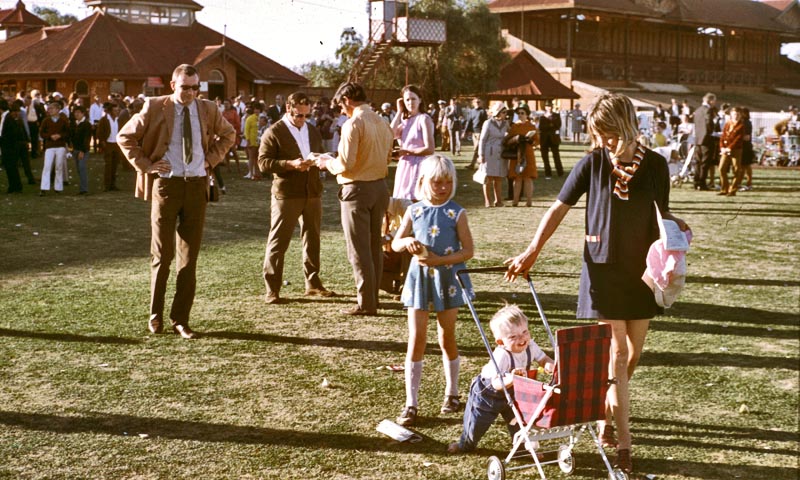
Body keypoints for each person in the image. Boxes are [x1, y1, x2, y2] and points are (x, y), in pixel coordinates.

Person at [504, 93, 689, 475]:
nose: (603, 140)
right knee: (618, 355)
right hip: (602, 270)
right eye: (598, 133)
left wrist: (677, 226)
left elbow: (662, 210)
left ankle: (605, 415)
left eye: (607, 133)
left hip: (641, 272)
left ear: (624, 128)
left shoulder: (655, 165)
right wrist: (531, 250)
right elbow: (558, 208)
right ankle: (623, 444)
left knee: (631, 357)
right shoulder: (591, 164)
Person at [117, 63, 236, 339]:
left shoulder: (208, 109)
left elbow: (228, 135)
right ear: (173, 85)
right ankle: (155, 315)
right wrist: (146, 165)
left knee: (189, 258)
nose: (191, 93)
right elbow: (124, 136)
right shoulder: (155, 106)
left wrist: (210, 160)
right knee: (162, 255)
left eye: (196, 88)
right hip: (166, 187)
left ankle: (181, 319)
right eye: (185, 87)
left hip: (196, 188)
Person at [391, 155, 475, 426]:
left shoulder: (457, 212)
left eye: (447, 182)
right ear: (423, 182)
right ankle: (411, 402)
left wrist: (439, 261)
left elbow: (469, 250)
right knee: (416, 339)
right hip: (419, 281)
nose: (442, 187)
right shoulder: (413, 211)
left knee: (446, 336)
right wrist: (408, 243)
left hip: (448, 279)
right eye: (437, 182)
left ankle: (452, 393)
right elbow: (394, 243)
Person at [317, 82, 393, 316]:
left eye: (341, 106)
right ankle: (373, 298)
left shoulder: (353, 124)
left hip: (356, 190)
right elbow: (388, 156)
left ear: (347, 100)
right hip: (379, 187)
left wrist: (325, 162)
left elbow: (344, 164)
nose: (341, 111)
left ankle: (366, 303)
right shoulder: (383, 122)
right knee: (374, 246)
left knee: (358, 250)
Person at [257, 92, 335, 304]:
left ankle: (313, 282)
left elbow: (318, 152)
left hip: (312, 191)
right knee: (278, 240)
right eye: (298, 115)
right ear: (288, 109)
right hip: (287, 193)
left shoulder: (311, 129)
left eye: (305, 115)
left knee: (312, 238)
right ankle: (272, 289)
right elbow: (263, 163)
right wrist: (291, 164)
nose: (302, 119)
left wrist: (321, 159)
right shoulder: (274, 132)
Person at [447, 304, 554, 453]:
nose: (522, 338)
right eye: (513, 337)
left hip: (513, 394)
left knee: (520, 422)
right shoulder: (501, 355)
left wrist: (549, 365)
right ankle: (465, 445)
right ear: (501, 342)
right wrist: (511, 379)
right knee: (476, 425)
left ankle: (521, 449)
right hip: (488, 394)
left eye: (524, 332)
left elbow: (543, 358)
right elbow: (496, 383)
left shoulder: (530, 345)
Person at [390, 85, 435, 201]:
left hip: (419, 165)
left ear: (420, 100)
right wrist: (399, 112)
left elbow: (430, 149)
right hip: (405, 166)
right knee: (401, 201)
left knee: (414, 200)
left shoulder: (424, 119)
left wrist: (406, 151)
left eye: (413, 99)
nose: (410, 102)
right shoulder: (405, 121)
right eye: (407, 100)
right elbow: (390, 134)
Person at [506, 103, 539, 207]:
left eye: (522, 113)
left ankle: (529, 201)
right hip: (517, 153)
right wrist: (516, 140)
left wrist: (530, 141)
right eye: (518, 113)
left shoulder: (531, 126)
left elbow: (537, 141)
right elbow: (508, 140)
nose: (520, 115)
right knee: (517, 177)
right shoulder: (515, 126)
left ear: (527, 114)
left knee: (528, 178)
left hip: (528, 153)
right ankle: (515, 200)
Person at [478, 102, 509, 207]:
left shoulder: (506, 124)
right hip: (489, 152)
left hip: (501, 152)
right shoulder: (488, 123)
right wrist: (481, 154)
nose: (505, 114)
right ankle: (487, 200)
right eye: (503, 112)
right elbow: (482, 139)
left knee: (499, 177)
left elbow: (509, 135)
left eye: (506, 112)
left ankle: (498, 200)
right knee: (488, 177)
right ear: (498, 112)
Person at [39, 101, 71, 196]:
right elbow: (42, 133)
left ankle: (58, 187)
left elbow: (68, 133)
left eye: (52, 108)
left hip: (60, 145)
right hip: (50, 146)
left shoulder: (63, 121)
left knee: (59, 166)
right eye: (49, 109)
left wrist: (60, 135)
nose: (50, 110)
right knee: (47, 166)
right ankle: (44, 187)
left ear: (58, 110)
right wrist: (50, 136)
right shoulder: (46, 120)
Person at [96, 102, 126, 192]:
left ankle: (113, 184)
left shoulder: (118, 119)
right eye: (115, 110)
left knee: (115, 165)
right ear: (110, 111)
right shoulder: (104, 120)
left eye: (118, 110)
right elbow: (100, 133)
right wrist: (103, 143)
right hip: (108, 144)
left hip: (116, 144)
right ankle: (107, 185)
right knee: (108, 166)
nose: (117, 112)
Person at [692, 93, 718, 190]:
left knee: (697, 162)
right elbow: (708, 123)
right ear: (710, 100)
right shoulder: (708, 110)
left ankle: (696, 181)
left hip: (698, 139)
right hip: (706, 139)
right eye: (714, 101)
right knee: (705, 162)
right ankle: (702, 183)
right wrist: (712, 131)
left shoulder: (698, 110)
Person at [718, 106, 745, 197]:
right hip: (725, 150)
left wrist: (729, 148)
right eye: (734, 114)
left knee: (736, 170)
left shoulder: (741, 125)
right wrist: (722, 147)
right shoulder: (728, 124)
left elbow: (738, 139)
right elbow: (723, 136)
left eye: (737, 114)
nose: (735, 116)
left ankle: (733, 189)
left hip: (736, 150)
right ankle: (724, 188)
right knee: (721, 168)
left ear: (740, 115)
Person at [0, 99, 23, 194]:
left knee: (11, 167)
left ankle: (14, 186)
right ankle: (15, 186)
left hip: (9, 146)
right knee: (11, 167)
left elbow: (9, 133)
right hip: (9, 145)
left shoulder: (8, 118)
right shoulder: (7, 117)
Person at [538, 100, 563, 178]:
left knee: (556, 156)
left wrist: (549, 125)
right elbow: (541, 127)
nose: (549, 108)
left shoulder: (556, 115)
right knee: (545, 157)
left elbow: (558, 125)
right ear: (545, 107)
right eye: (548, 106)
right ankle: (548, 173)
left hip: (554, 138)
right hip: (544, 139)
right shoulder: (542, 117)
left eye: (550, 106)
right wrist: (550, 125)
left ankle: (560, 172)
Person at [70, 105, 92, 195]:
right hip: (75, 149)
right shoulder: (73, 124)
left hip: (83, 150)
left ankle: (84, 189)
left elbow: (87, 139)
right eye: (75, 112)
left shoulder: (86, 124)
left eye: (78, 112)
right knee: (78, 169)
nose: (76, 114)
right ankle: (83, 186)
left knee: (82, 168)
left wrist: (82, 151)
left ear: (83, 113)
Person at [466, 98, 488, 170]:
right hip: (474, 132)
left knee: (477, 149)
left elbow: (485, 123)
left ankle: (474, 164)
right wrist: (466, 131)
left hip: (480, 132)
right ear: (473, 103)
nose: (477, 103)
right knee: (476, 149)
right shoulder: (471, 111)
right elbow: (469, 122)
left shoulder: (483, 111)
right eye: (476, 102)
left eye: (479, 102)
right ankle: (478, 164)